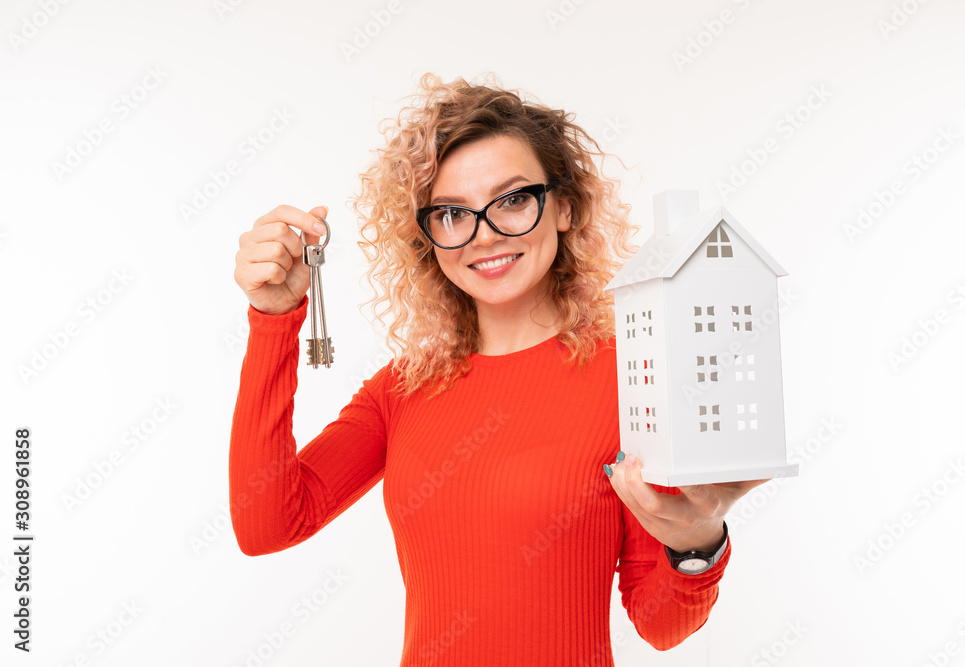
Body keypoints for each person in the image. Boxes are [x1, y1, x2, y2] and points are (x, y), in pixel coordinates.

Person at [230, 72, 766, 665]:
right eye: (452, 213)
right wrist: (272, 320)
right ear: (427, 236)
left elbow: (660, 625)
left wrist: (696, 546)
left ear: (565, 207)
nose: (484, 235)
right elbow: (267, 524)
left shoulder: (633, 380)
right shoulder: (402, 389)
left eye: (513, 200)